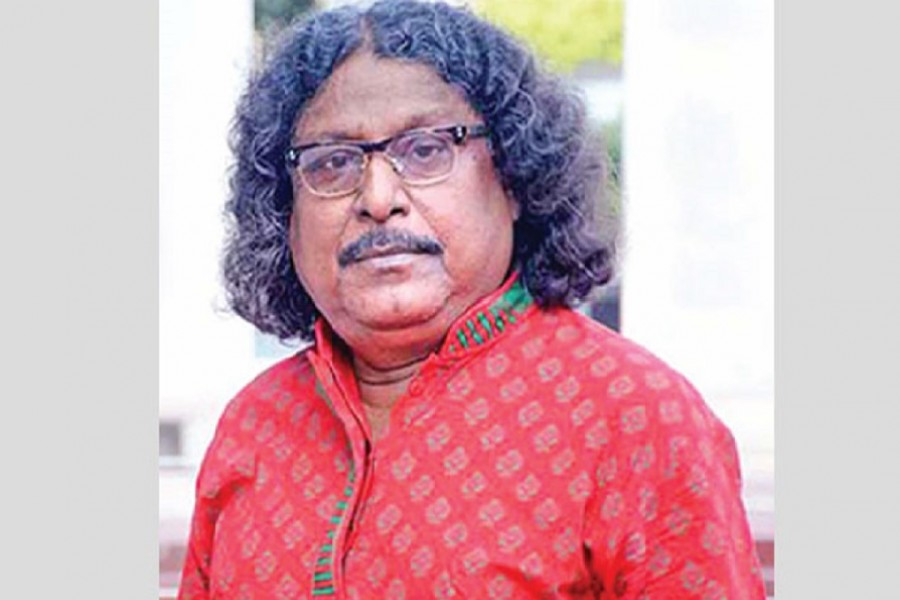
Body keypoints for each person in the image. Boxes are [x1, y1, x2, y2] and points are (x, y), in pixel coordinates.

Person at [178, 1, 766, 598]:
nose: (378, 198)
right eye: (332, 163)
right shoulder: (254, 424)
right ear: (285, 210)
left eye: (426, 149)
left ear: (514, 178)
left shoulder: (636, 415)